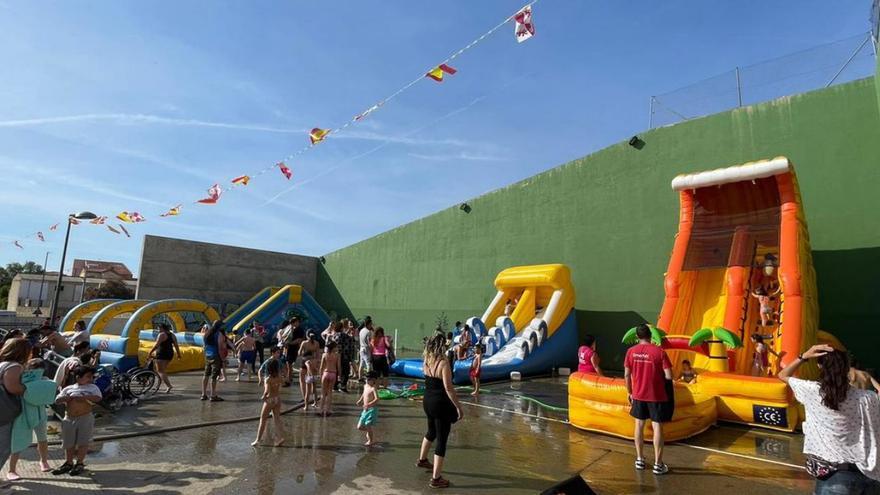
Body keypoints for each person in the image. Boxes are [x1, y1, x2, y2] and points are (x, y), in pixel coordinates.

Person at [779, 344, 880, 493]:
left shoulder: (812, 392)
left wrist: (804, 356)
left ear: (820, 367)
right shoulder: (867, 398)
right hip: (870, 475)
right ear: (847, 368)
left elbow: (783, 375)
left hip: (834, 476)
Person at [624, 323, 673, 475]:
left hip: (638, 394)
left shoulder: (630, 352)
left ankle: (639, 459)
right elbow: (669, 376)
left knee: (639, 425)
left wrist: (630, 391)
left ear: (637, 336)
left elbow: (626, 375)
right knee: (657, 426)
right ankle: (658, 465)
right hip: (656, 395)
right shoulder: (660, 352)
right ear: (650, 335)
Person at [417, 334, 464, 489]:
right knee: (441, 439)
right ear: (442, 346)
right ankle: (436, 479)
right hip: (440, 404)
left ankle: (422, 460)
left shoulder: (426, 360)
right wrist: (458, 406)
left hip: (427, 401)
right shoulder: (443, 363)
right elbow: (449, 388)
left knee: (431, 431)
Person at [7, 358, 55, 481]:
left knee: (42, 439)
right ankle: (11, 469)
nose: (35, 371)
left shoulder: (44, 381)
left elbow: (51, 389)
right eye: (33, 368)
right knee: (17, 441)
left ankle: (43, 461)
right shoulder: (20, 380)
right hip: (22, 414)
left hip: (40, 414)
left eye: (39, 369)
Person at [52, 365, 102, 476]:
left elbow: (98, 398)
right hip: (69, 418)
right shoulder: (68, 388)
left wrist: (85, 398)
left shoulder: (93, 388)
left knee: (83, 441)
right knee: (68, 442)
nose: (90, 379)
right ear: (78, 377)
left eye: (91, 377)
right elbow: (57, 400)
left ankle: (79, 462)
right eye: (88, 377)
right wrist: (66, 398)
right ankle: (68, 462)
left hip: (85, 417)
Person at [0, 338, 30, 476]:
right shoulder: (14, 366)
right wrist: (28, 388)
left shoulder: (2, 364)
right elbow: (13, 388)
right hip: (4, 412)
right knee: (3, 447)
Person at [252, 359, 284, 447]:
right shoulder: (279, 377)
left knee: (263, 420)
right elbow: (283, 382)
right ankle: (280, 437)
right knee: (277, 419)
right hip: (277, 399)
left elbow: (267, 391)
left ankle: (257, 440)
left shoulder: (268, 379)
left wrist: (263, 396)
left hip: (270, 400)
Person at [148, 323, 180, 393]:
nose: (158, 330)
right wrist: (178, 354)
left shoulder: (162, 334)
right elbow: (176, 345)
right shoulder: (172, 335)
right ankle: (158, 386)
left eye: (158, 328)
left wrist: (150, 352)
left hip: (161, 354)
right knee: (162, 371)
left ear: (162, 328)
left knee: (160, 371)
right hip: (169, 354)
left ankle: (169, 386)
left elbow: (156, 345)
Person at [201, 320, 225, 402]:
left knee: (206, 374)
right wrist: (223, 359)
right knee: (214, 376)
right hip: (215, 356)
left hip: (208, 355)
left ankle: (203, 394)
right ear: (219, 326)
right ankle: (213, 395)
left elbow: (204, 347)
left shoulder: (206, 333)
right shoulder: (219, 334)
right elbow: (220, 348)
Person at [356, 371, 380, 446]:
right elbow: (364, 393)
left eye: (369, 379)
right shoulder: (365, 386)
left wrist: (369, 404)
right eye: (366, 379)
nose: (367, 380)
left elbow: (377, 399)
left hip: (372, 409)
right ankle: (370, 432)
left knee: (367, 424)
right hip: (365, 410)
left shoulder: (373, 388)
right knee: (359, 427)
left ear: (374, 380)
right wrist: (360, 400)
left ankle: (371, 440)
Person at [298, 331, 322, 405]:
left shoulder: (304, 343)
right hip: (313, 362)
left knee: (302, 380)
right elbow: (318, 355)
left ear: (307, 335)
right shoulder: (317, 343)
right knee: (314, 385)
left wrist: (304, 353)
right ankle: (315, 402)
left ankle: (304, 397)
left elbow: (299, 353)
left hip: (304, 362)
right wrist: (317, 365)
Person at [319, 341, 340, 417]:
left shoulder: (324, 355)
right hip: (333, 373)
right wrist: (339, 375)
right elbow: (338, 367)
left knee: (323, 393)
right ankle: (328, 410)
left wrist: (320, 375)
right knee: (330, 392)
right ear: (334, 348)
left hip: (326, 372)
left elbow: (321, 366)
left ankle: (321, 409)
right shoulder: (337, 355)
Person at [335, 319, 356, 393]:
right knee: (345, 372)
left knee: (336, 370)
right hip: (344, 356)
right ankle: (343, 386)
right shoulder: (344, 335)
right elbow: (351, 341)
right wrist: (352, 334)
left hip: (336, 356)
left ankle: (335, 386)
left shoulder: (335, 335)